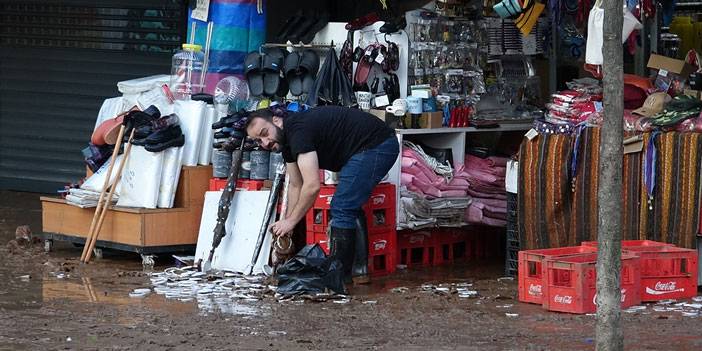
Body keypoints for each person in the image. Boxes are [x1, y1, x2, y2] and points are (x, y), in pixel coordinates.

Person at [246, 105, 399, 283]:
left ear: (277, 121)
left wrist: (291, 221)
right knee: (349, 205)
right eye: (258, 141)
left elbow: (312, 186)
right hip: (365, 148)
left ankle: (338, 278)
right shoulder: (287, 142)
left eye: (265, 133)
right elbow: (296, 185)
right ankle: (359, 271)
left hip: (377, 144)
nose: (265, 143)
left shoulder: (298, 132)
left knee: (342, 206)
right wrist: (287, 224)